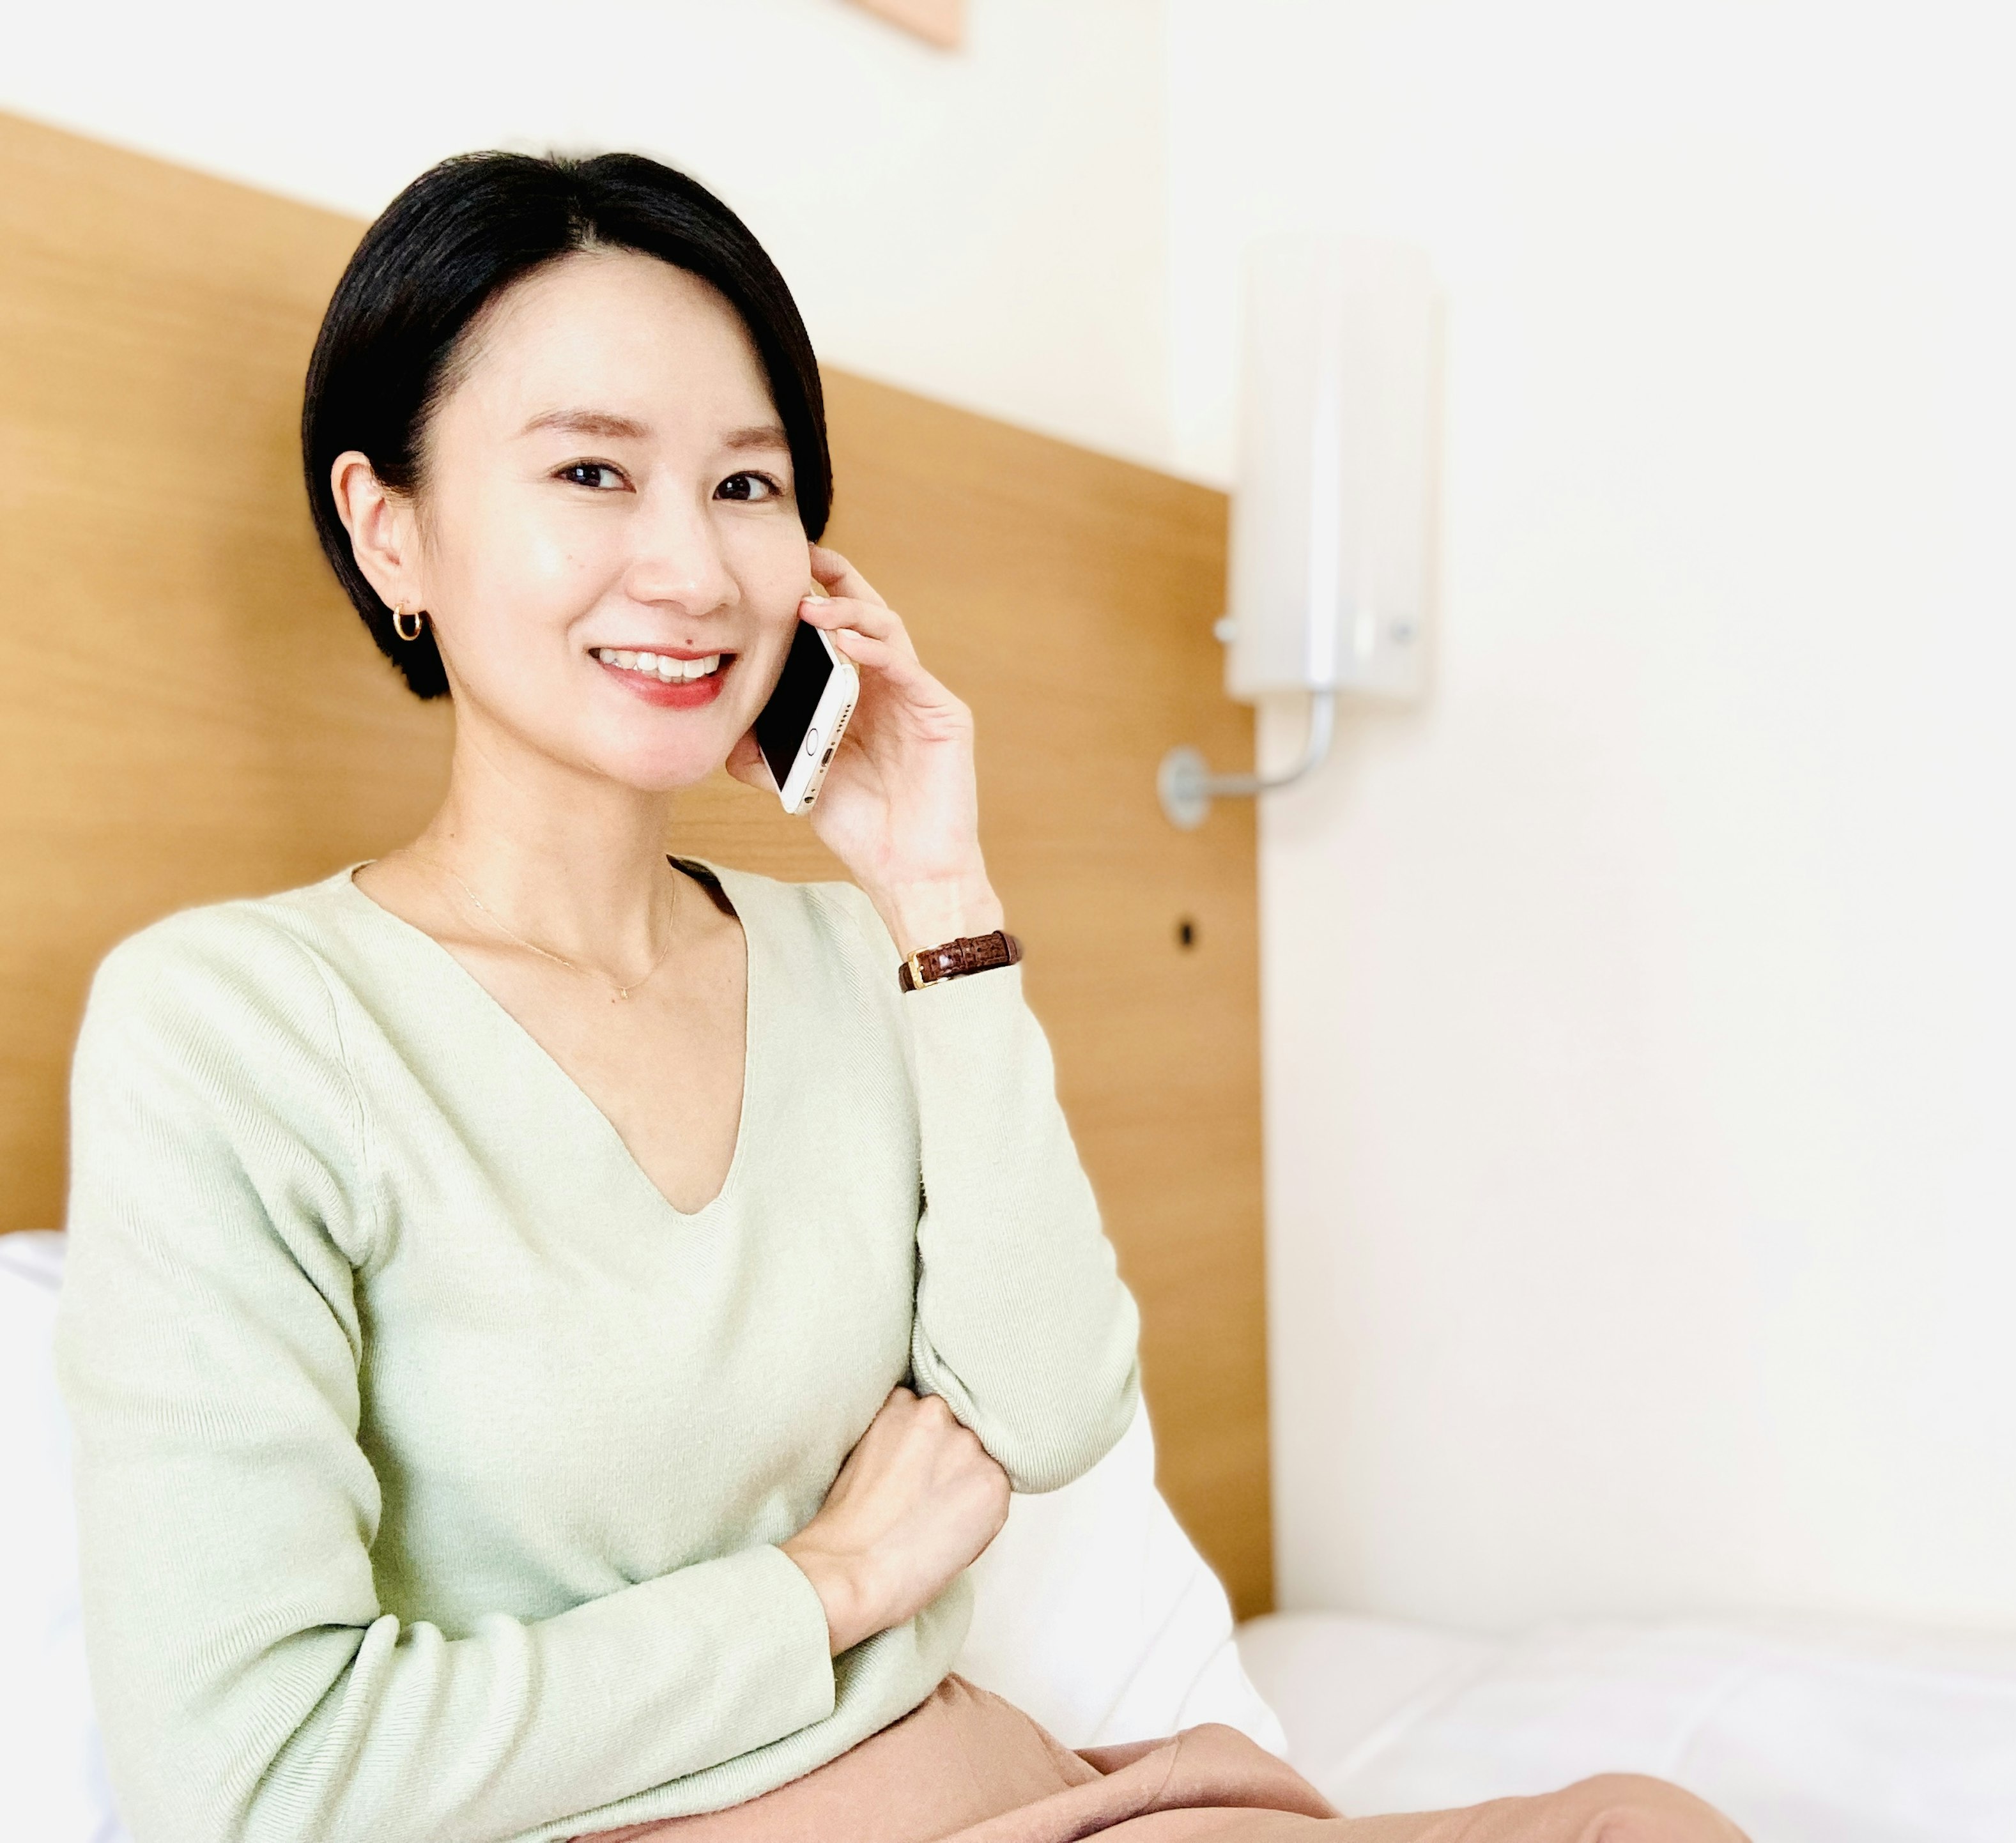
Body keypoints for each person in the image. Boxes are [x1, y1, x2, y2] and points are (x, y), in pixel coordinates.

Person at [52, 151, 1745, 1843]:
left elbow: (1053, 1406)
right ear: (387, 524)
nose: (694, 569)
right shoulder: (233, 1028)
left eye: (744, 485)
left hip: (1013, 1793)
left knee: (1639, 1823)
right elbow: (254, 1775)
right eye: (590, 469)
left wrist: (937, 888)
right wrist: (830, 1582)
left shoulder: (844, 962)